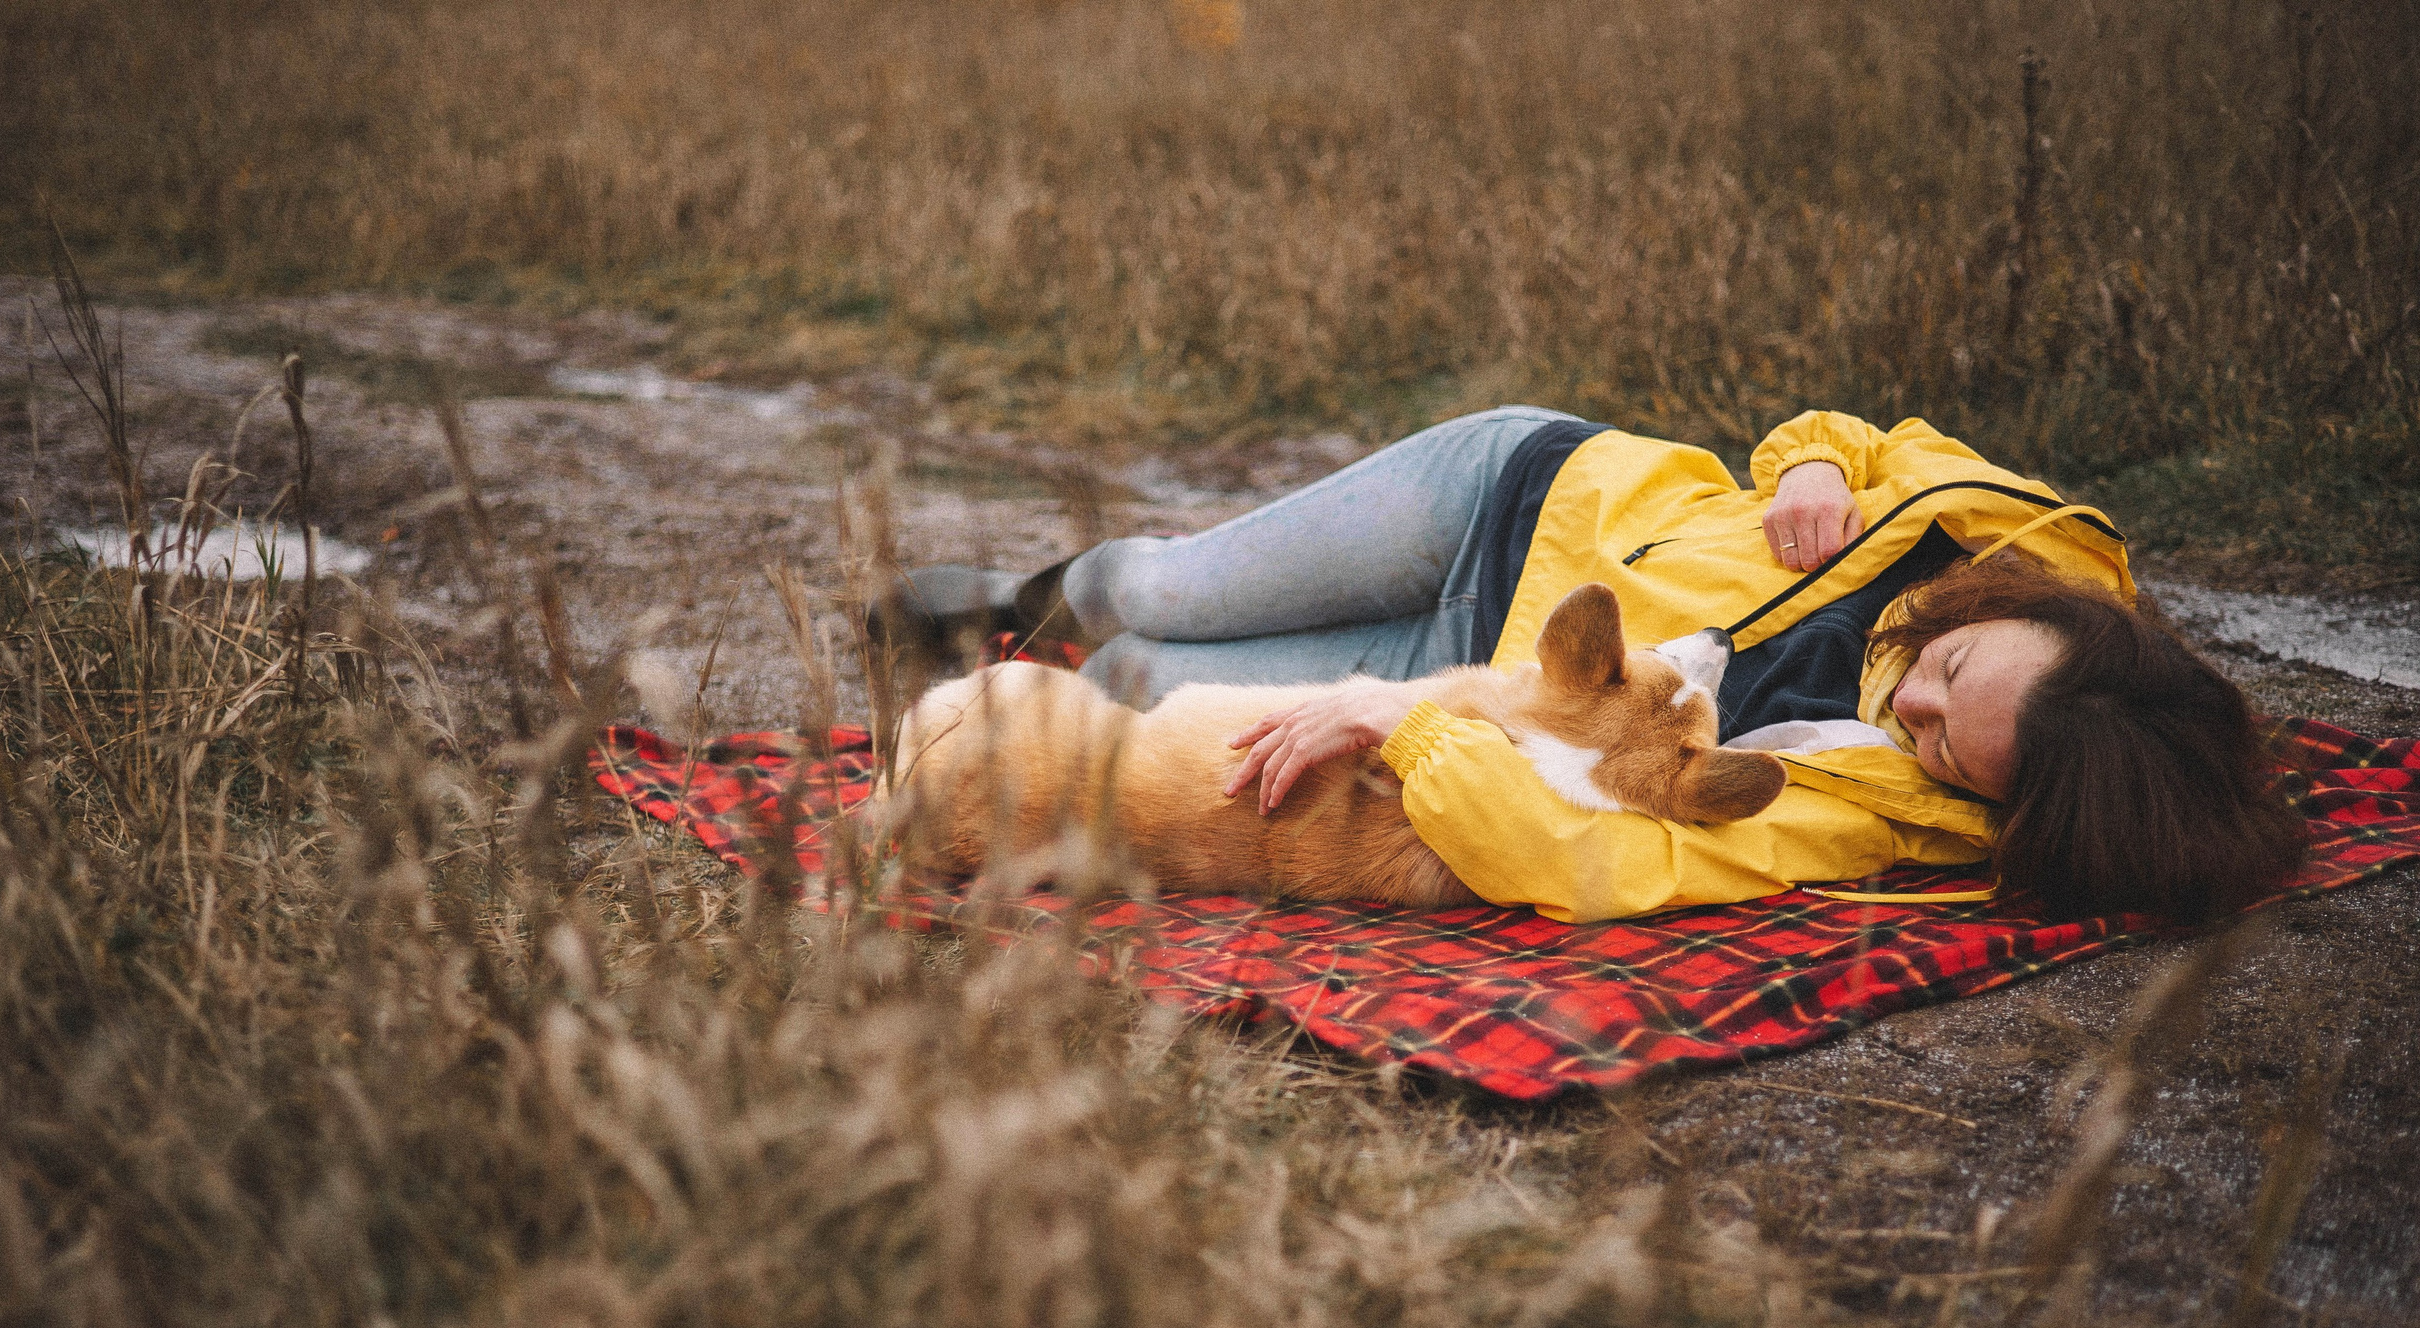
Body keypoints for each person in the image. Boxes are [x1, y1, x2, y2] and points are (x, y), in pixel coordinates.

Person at [879, 409, 2306, 924]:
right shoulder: (2046, 535)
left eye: (1944, 742)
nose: (1913, 701)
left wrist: (1407, 723)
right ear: (2043, 610)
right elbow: (1876, 440)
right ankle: (1025, 600)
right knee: (1145, 584)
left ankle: (1045, 662)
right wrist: (1809, 455)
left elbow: (1606, 864)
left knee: (1142, 683)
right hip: (1517, 491)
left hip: (1477, 666)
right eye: (1960, 663)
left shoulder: (1892, 810)